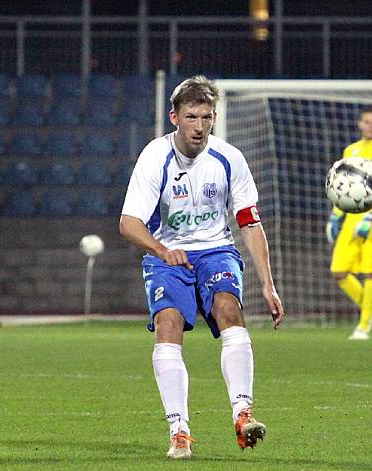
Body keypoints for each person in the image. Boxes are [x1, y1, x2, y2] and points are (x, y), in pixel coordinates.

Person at [119, 75, 284, 459]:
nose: (199, 126)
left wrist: (268, 285)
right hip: (168, 256)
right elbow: (129, 224)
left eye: (206, 117)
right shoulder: (154, 158)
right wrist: (162, 250)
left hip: (216, 250)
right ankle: (179, 430)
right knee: (169, 324)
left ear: (214, 117)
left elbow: (249, 222)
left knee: (229, 309)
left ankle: (243, 413)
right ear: (174, 116)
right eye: (191, 117)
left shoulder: (229, 159)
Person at [325, 107, 372, 340]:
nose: (371, 125)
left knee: (370, 272)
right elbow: (341, 187)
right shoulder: (351, 150)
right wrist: (336, 215)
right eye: (367, 122)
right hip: (350, 224)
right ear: (360, 124)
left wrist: (369, 217)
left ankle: (364, 326)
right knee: (339, 271)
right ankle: (370, 307)